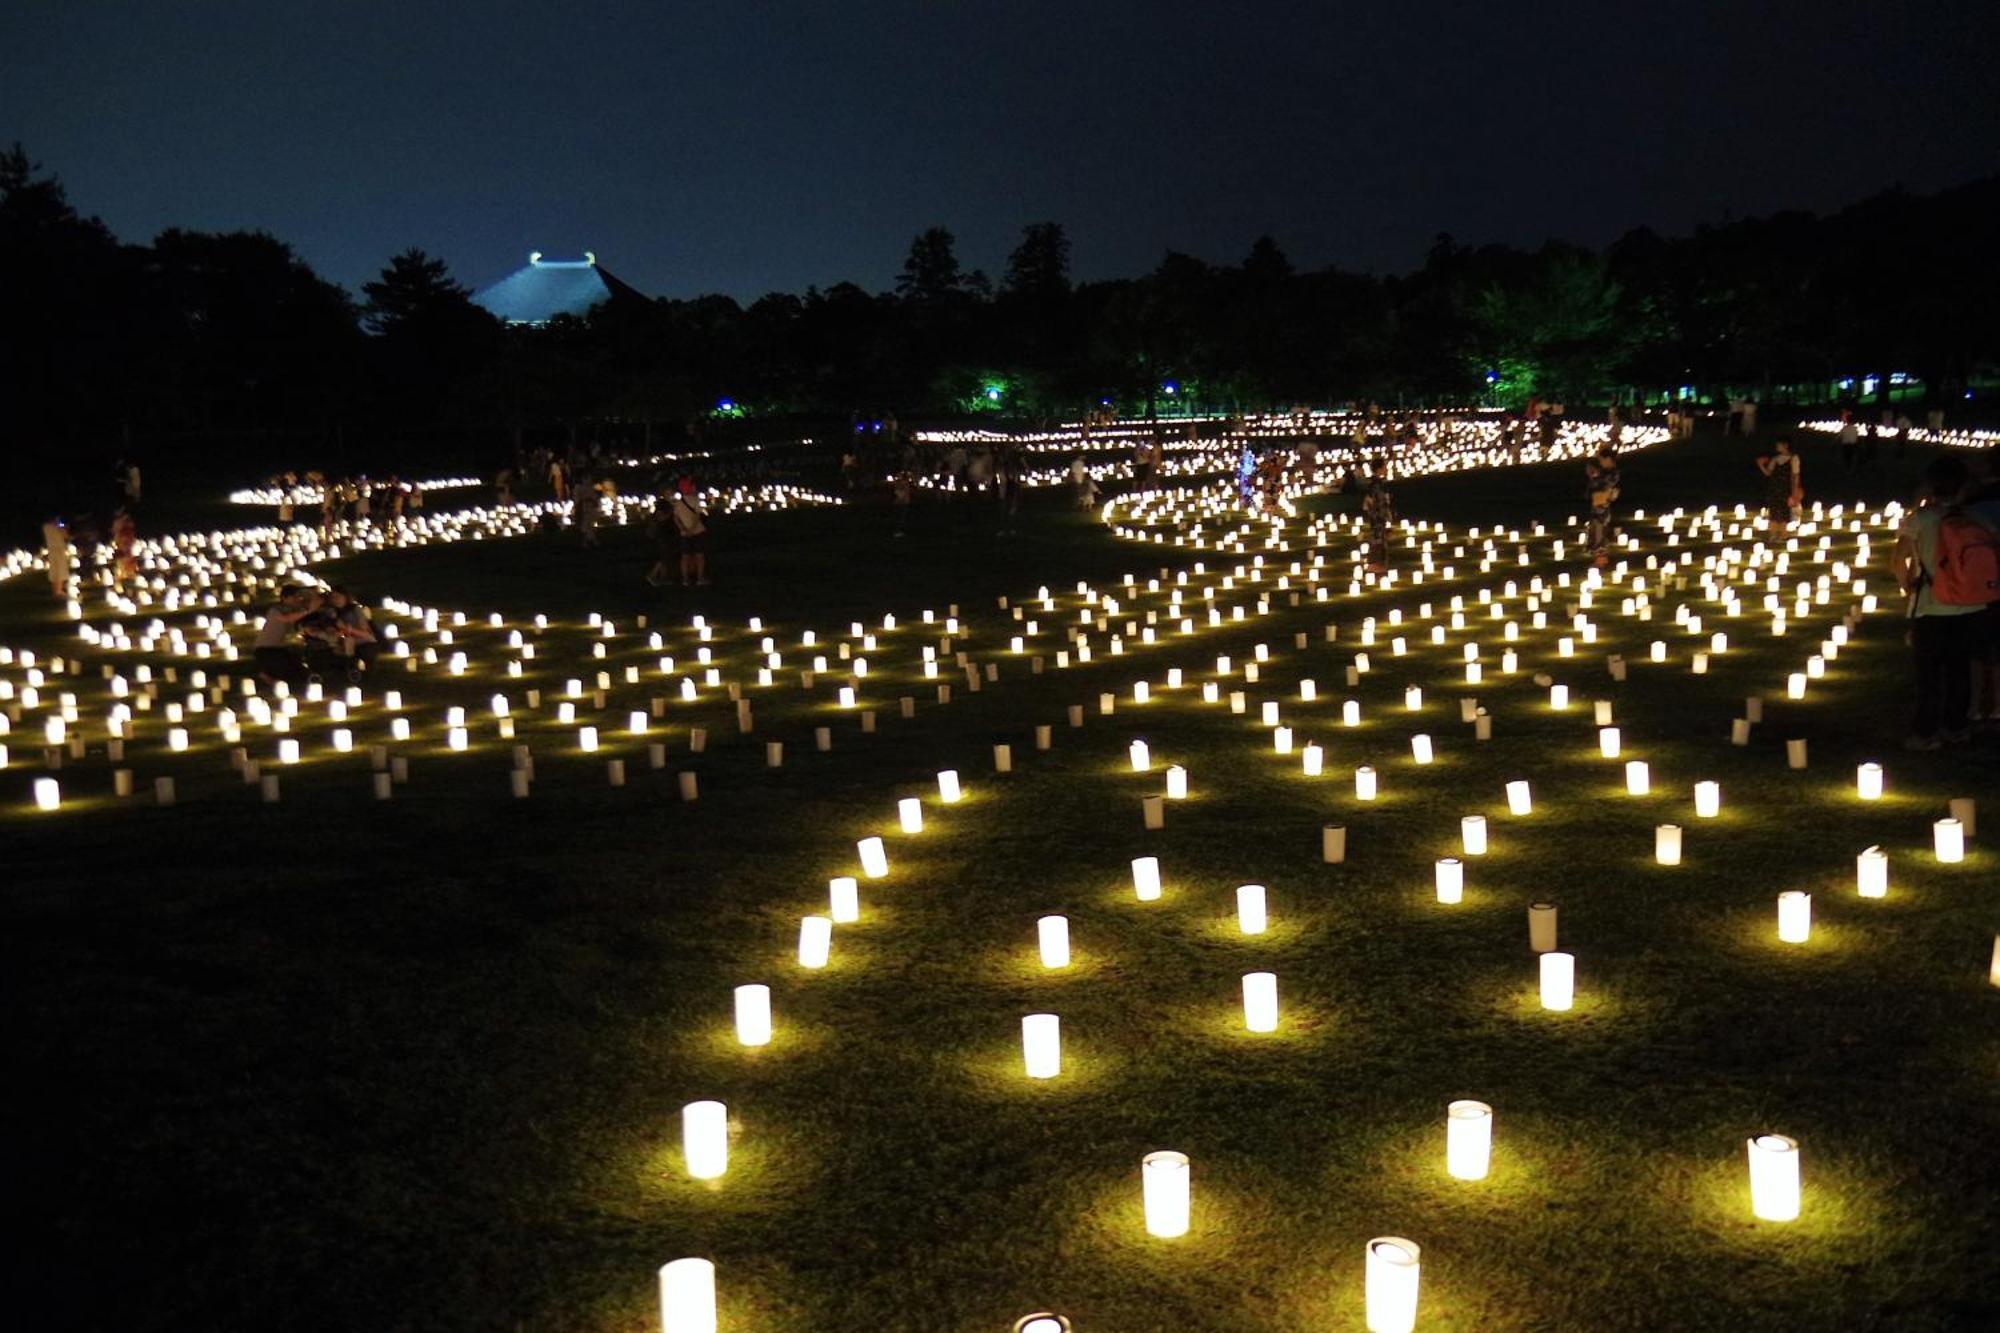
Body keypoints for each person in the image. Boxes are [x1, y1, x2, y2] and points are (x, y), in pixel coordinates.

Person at [1895, 456, 1986, 749]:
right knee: (1960, 670)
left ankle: (1925, 733)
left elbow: (1898, 561)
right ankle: (1956, 727)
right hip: (1970, 605)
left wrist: (1908, 587)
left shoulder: (1919, 520)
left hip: (1930, 607)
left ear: (1930, 487)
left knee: (1929, 675)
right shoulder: (1975, 518)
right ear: (1962, 489)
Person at [253, 586, 321, 688]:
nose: (298, 600)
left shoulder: (295, 610)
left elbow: (314, 604)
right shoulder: (276, 610)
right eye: (294, 597)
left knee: (296, 664)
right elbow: (286, 618)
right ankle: (268, 676)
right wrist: (308, 610)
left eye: (298, 597)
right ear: (284, 598)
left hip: (279, 649)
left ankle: (311, 679)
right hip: (265, 650)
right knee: (287, 669)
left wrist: (313, 595)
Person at [1755, 438, 1801, 535]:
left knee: (1784, 511)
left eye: (1779, 445)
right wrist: (1761, 465)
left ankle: (1783, 533)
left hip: (1786, 488)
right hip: (1775, 487)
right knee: (1774, 510)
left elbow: (1795, 475)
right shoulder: (1775, 458)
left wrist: (1794, 492)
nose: (1777, 447)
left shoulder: (1793, 458)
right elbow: (1768, 473)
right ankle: (1773, 533)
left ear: (1786, 445)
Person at [669, 477, 710, 585]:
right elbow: (698, 516)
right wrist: (692, 528)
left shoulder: (678, 503)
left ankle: (685, 579)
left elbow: (675, 518)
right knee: (699, 556)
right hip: (698, 532)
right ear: (690, 487)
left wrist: (682, 528)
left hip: (684, 534)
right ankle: (700, 578)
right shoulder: (696, 500)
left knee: (685, 557)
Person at [1585, 446, 1620, 567]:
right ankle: (1598, 558)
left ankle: (1601, 559)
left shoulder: (1612, 473)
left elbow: (1603, 485)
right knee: (1595, 530)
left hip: (1602, 505)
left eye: (1601, 460)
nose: (1600, 463)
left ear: (1608, 459)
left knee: (1599, 531)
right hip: (1598, 504)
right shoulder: (1605, 473)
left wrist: (1593, 476)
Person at [1362, 464, 1395, 574]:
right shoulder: (1376, 484)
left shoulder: (1375, 483)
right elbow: (1373, 501)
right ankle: (1375, 564)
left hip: (1378, 515)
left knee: (1379, 538)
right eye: (1384, 467)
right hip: (1378, 516)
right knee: (1378, 539)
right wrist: (1381, 513)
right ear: (1379, 468)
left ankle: (1377, 564)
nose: (1385, 469)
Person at [42, 516, 71, 598]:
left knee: (54, 570)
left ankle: (55, 590)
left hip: (51, 549)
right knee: (60, 570)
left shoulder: (45, 527)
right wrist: (65, 528)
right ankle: (59, 591)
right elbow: (65, 535)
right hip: (59, 549)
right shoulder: (58, 526)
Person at [110, 508, 138, 586]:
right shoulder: (119, 524)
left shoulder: (125, 524)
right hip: (123, 550)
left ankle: (129, 576)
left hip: (127, 551)